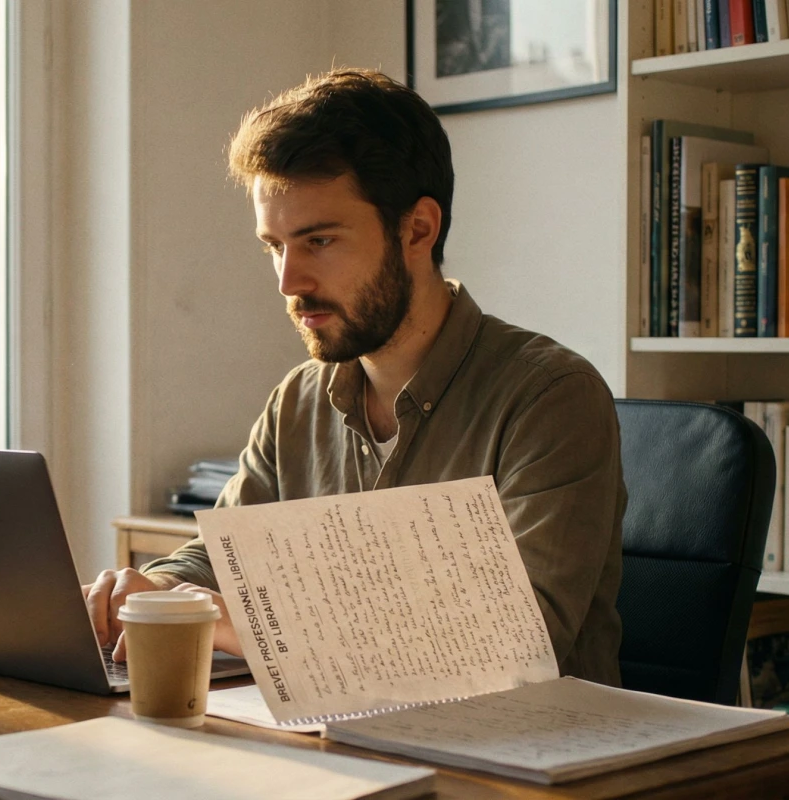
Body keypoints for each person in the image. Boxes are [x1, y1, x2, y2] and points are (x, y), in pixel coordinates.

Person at [84, 68, 625, 686]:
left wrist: (242, 621)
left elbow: (519, 643)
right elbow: (223, 557)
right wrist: (153, 588)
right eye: (274, 246)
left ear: (417, 229)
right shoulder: (298, 402)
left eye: (318, 240)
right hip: (341, 743)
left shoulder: (551, 398)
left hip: (517, 760)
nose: (289, 282)